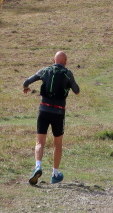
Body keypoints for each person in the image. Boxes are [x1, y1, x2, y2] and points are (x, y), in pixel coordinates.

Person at [23, 51, 80, 185]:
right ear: (65, 62)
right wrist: (70, 82)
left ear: (53, 60)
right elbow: (77, 91)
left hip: (44, 110)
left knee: (39, 142)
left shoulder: (45, 70)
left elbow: (26, 81)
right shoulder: (67, 73)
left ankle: (38, 166)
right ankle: (55, 174)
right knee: (57, 143)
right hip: (59, 112)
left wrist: (26, 87)